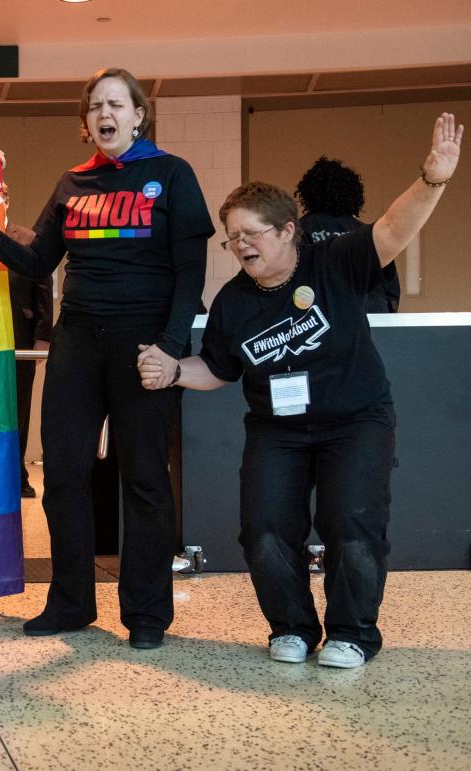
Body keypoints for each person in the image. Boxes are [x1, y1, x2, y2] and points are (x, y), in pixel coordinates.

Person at [139, 114, 462, 668]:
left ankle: (352, 633)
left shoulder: (334, 261)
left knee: (352, 527)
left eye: (252, 233)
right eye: (232, 236)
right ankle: (289, 626)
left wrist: (432, 179)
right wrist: (171, 371)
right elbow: (218, 369)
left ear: (289, 229)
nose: (240, 245)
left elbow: (391, 230)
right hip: (277, 430)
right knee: (264, 530)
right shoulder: (234, 303)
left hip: (355, 420)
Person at [0, 67, 213, 649]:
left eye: (116, 104)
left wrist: (171, 350)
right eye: (96, 106)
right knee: (64, 476)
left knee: (146, 480)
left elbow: (190, 273)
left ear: (137, 114)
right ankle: (72, 601)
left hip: (144, 344)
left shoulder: (172, 175)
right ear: (85, 123)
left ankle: (147, 614)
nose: (106, 114)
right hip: (77, 341)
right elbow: (38, 260)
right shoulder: (72, 183)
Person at [296, 156, 401, 313]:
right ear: (353, 194)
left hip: (319, 319)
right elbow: (390, 287)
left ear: (308, 194)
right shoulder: (369, 233)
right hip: (369, 316)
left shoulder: (297, 231)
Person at [0, 183, 52, 499]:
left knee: (19, 407)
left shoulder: (28, 239)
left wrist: (43, 337)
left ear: (7, 199)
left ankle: (17, 474)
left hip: (20, 337)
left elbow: (43, 289)